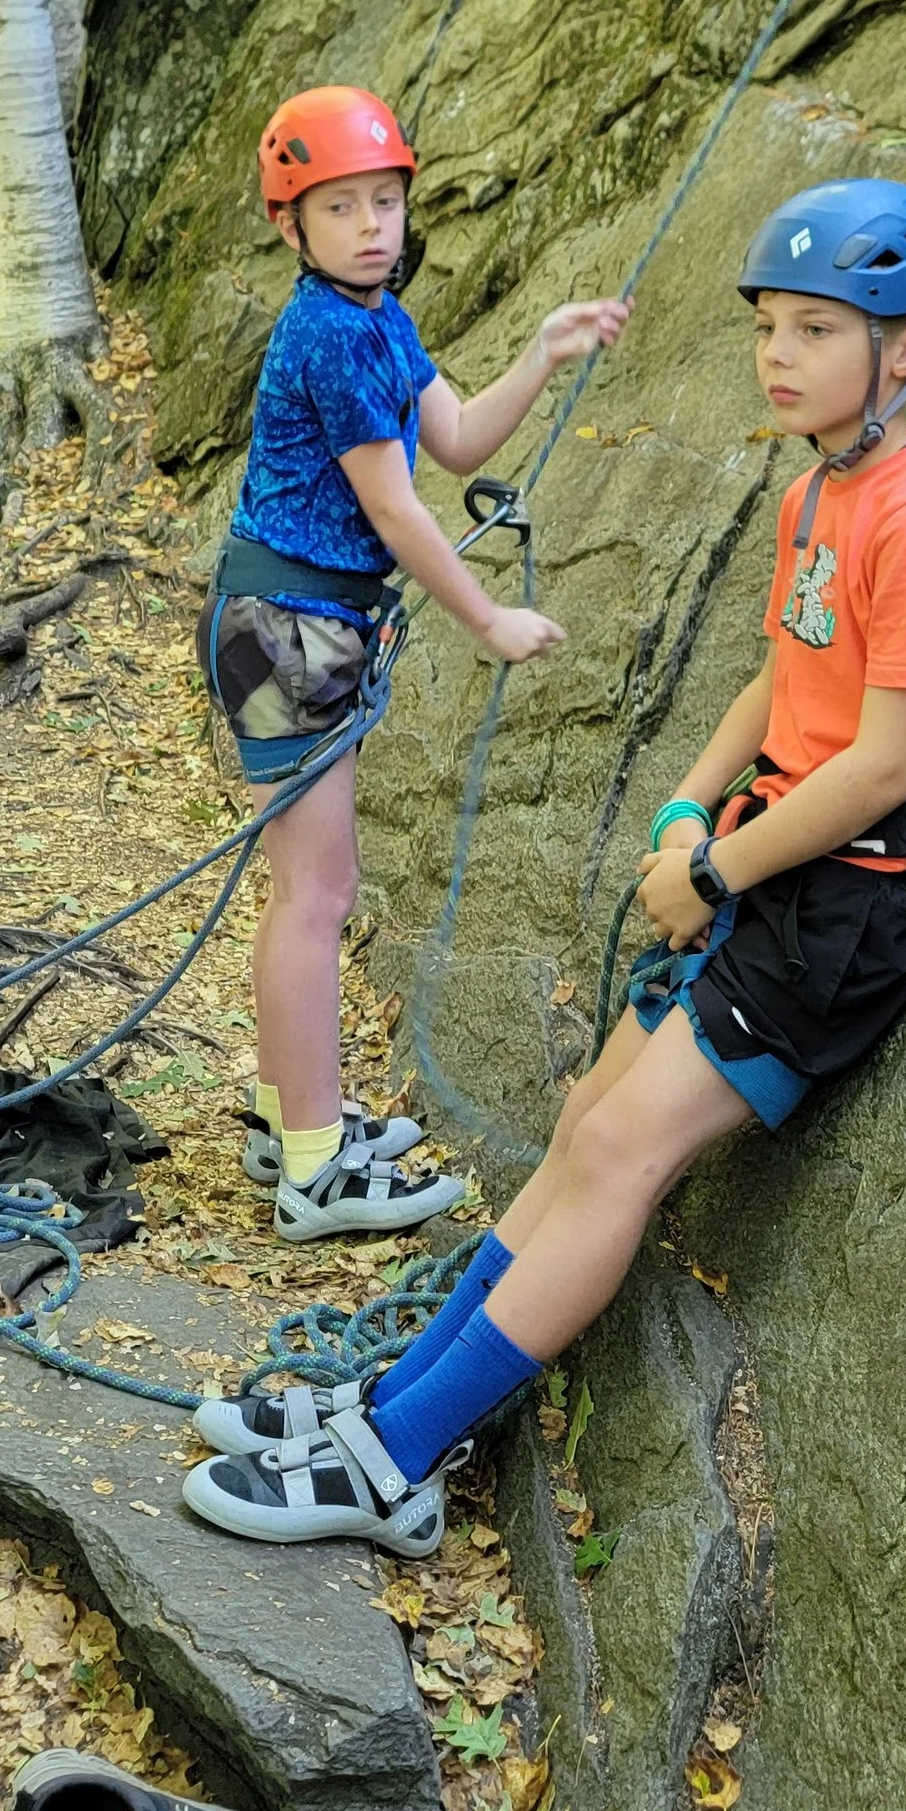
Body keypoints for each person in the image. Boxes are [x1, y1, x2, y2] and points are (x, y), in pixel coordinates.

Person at [183, 176, 906, 1557]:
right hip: (771, 860)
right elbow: (782, 677)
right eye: (770, 326)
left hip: (850, 901)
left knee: (623, 1149)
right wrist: (683, 811)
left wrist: (717, 867)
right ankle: (384, 1402)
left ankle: (392, 1462)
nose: (778, 354)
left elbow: (885, 764)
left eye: (818, 329)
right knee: (584, 1122)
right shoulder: (822, 493)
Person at [202, 85, 631, 1243]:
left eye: (384, 201)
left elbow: (455, 441)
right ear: (291, 226)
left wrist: (542, 352)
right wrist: (486, 618)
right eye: (339, 208)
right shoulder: (331, 336)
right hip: (285, 630)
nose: (371, 225)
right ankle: (314, 1164)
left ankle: (292, 1106)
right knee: (318, 895)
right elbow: (396, 513)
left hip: (306, 624)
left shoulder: (380, 317)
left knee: (311, 891)